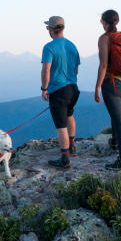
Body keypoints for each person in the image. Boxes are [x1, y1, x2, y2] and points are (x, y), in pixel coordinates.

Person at [94, 9, 121, 168]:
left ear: (103, 22)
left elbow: (104, 65)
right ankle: (114, 142)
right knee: (116, 113)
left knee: (119, 120)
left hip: (113, 86)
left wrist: (97, 87)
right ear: (116, 22)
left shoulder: (105, 39)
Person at [40, 15, 80, 169]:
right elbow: (76, 69)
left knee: (61, 125)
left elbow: (46, 70)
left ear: (51, 29)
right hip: (73, 88)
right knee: (69, 114)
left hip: (58, 90)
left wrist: (44, 88)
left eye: (48, 28)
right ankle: (72, 146)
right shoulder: (72, 45)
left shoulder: (49, 47)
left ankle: (65, 159)